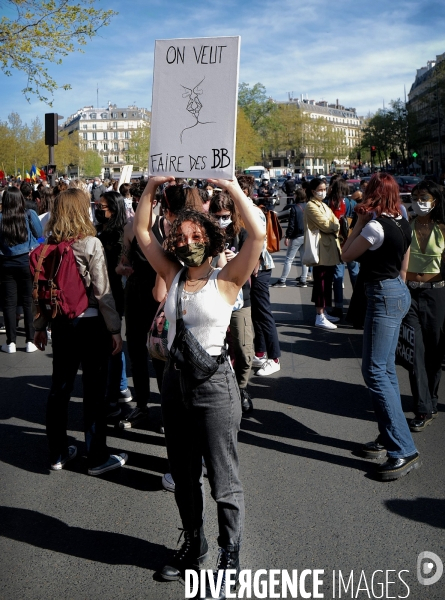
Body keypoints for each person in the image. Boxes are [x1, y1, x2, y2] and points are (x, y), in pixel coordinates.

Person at [134, 175, 264, 599]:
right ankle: (195, 542)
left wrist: (232, 187)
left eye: (195, 234)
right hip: (175, 385)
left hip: (215, 389)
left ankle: (231, 554)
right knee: (184, 475)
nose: (187, 240)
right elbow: (140, 232)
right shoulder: (170, 274)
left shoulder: (226, 280)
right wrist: (152, 189)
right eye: (180, 235)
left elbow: (259, 233)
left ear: (209, 237)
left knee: (223, 481)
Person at [33, 188, 128, 476]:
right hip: (90, 324)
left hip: (61, 323)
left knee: (59, 389)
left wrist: (39, 327)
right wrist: (114, 329)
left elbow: (39, 290)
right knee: (94, 392)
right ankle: (97, 456)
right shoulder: (90, 243)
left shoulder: (47, 246)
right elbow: (103, 292)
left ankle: (58, 452)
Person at [341, 173, 419, 481]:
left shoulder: (374, 227)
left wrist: (358, 223)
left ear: (374, 193)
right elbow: (407, 251)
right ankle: (391, 435)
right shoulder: (401, 216)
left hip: (384, 295)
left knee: (375, 371)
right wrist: (400, 276)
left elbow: (346, 254)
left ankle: (403, 449)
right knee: (384, 370)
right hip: (395, 291)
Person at [403, 181, 445, 432]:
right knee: (414, 351)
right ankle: (422, 407)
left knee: (434, 352)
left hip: (437, 295)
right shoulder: (406, 226)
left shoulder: (442, 229)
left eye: (424, 197)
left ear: (435, 201)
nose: (419, 201)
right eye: (415, 197)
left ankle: (432, 399)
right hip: (408, 294)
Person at [209, 191, 254, 412]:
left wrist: (240, 261)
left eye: (224, 216)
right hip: (212, 298)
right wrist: (217, 257)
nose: (220, 221)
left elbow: (255, 265)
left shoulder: (242, 233)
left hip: (239, 299)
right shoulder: (205, 235)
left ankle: (241, 387)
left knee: (244, 349)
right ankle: (220, 392)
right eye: (216, 216)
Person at [238, 175, 281, 376]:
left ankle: (274, 358)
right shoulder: (242, 209)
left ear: (244, 191)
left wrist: (253, 262)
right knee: (255, 311)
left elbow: (259, 240)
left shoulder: (251, 211)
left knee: (263, 312)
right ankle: (261, 352)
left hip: (260, 267)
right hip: (253, 266)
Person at [95, 191, 131, 414]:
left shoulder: (118, 234)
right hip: (106, 289)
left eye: (104, 207)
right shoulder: (106, 230)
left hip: (113, 290)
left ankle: (116, 391)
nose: (100, 210)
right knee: (112, 341)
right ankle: (121, 387)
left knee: (113, 341)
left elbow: (120, 264)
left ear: (114, 210)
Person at [0, 187, 43, 353]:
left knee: (9, 304)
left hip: (6, 263)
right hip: (27, 261)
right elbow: (39, 232)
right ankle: (30, 340)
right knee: (28, 301)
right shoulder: (29, 214)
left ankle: (10, 342)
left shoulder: (1, 218)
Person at [303, 178, 341, 330]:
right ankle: (319, 315)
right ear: (313, 191)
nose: (323, 191)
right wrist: (334, 225)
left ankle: (323, 312)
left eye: (325, 188)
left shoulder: (323, 205)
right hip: (320, 250)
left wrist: (334, 225)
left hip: (329, 249)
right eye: (320, 189)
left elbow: (335, 222)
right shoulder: (311, 206)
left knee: (327, 281)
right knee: (321, 282)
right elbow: (327, 225)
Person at [328, 178, 359, 319]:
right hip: (351, 242)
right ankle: (357, 305)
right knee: (355, 274)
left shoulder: (329, 204)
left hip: (335, 242)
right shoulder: (352, 203)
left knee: (337, 275)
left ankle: (338, 307)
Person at [271, 188, 309, 288]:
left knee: (288, 259)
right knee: (304, 259)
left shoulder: (294, 208)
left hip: (296, 236)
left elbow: (291, 225)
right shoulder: (308, 206)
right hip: (306, 235)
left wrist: (287, 236)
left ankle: (282, 280)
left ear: (297, 196)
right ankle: (303, 280)